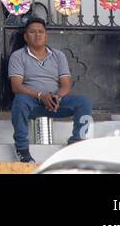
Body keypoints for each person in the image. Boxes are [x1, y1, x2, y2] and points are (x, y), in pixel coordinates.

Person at [8, 18, 94, 163]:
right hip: (32, 104)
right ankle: (22, 149)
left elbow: (66, 84)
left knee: (83, 102)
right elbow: (16, 86)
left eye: (41, 31)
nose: (37, 35)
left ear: (46, 35)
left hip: (56, 103)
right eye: (33, 32)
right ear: (25, 36)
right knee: (20, 100)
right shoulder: (18, 56)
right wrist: (41, 96)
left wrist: (57, 97)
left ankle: (77, 142)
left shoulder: (58, 55)